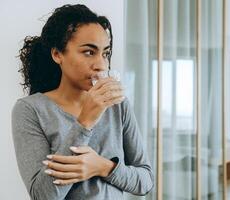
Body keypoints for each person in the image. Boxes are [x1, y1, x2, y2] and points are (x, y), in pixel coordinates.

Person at [11, 4, 154, 200]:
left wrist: (103, 167)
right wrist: (85, 122)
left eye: (105, 53)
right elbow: (43, 196)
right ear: (57, 54)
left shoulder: (118, 105)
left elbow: (145, 180)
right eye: (89, 52)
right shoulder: (30, 110)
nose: (101, 65)